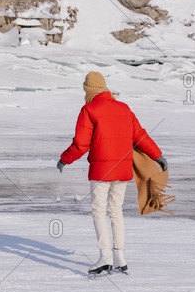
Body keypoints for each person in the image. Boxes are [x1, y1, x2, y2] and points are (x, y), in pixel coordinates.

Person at [57, 71, 167, 275]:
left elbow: (81, 144)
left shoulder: (89, 109)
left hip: (100, 171)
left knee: (99, 210)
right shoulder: (124, 108)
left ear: (88, 90)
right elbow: (140, 136)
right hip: (123, 170)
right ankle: (120, 257)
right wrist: (158, 155)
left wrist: (64, 159)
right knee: (116, 211)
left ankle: (105, 257)